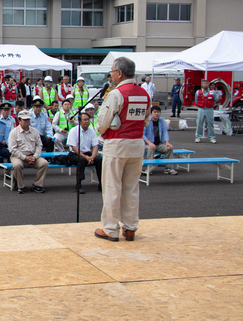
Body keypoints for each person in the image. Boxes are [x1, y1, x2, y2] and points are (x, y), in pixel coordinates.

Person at [95, 56, 151, 242]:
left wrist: (102, 132)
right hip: (136, 144)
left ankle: (111, 229)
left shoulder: (116, 94)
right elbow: (146, 120)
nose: (111, 76)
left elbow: (102, 122)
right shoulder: (144, 94)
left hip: (117, 144)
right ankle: (130, 228)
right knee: (131, 188)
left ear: (119, 73)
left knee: (112, 187)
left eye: (112, 72)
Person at [8, 110, 49, 194]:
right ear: (19, 120)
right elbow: (12, 149)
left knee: (44, 163)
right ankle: (21, 186)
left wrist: (35, 156)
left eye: (28, 120)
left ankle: (37, 185)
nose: (27, 122)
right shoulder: (14, 132)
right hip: (19, 156)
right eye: (24, 120)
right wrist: (24, 158)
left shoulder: (35, 131)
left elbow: (39, 145)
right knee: (17, 165)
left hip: (32, 156)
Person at [67, 113, 103, 194]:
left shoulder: (91, 131)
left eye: (88, 119)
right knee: (82, 160)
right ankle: (78, 184)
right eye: (85, 120)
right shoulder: (74, 131)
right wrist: (86, 157)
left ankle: (101, 183)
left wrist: (92, 157)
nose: (87, 121)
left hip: (88, 153)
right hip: (74, 154)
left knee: (99, 160)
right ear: (79, 121)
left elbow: (95, 145)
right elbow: (74, 148)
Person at [143, 105, 177, 175]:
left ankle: (168, 168)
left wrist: (167, 142)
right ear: (151, 113)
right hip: (147, 144)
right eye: (154, 112)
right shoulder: (147, 121)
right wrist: (149, 143)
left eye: (158, 112)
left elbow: (165, 131)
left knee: (169, 148)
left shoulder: (161, 120)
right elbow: (142, 134)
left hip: (158, 144)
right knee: (151, 148)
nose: (156, 114)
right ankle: (150, 168)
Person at [195, 79, 217, 143]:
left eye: (206, 83)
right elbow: (196, 100)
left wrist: (212, 105)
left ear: (208, 85)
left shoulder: (213, 92)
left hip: (209, 109)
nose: (205, 84)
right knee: (199, 123)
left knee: (210, 123)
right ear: (202, 85)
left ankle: (212, 137)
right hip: (201, 109)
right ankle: (198, 137)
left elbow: (215, 100)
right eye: (204, 83)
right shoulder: (198, 92)